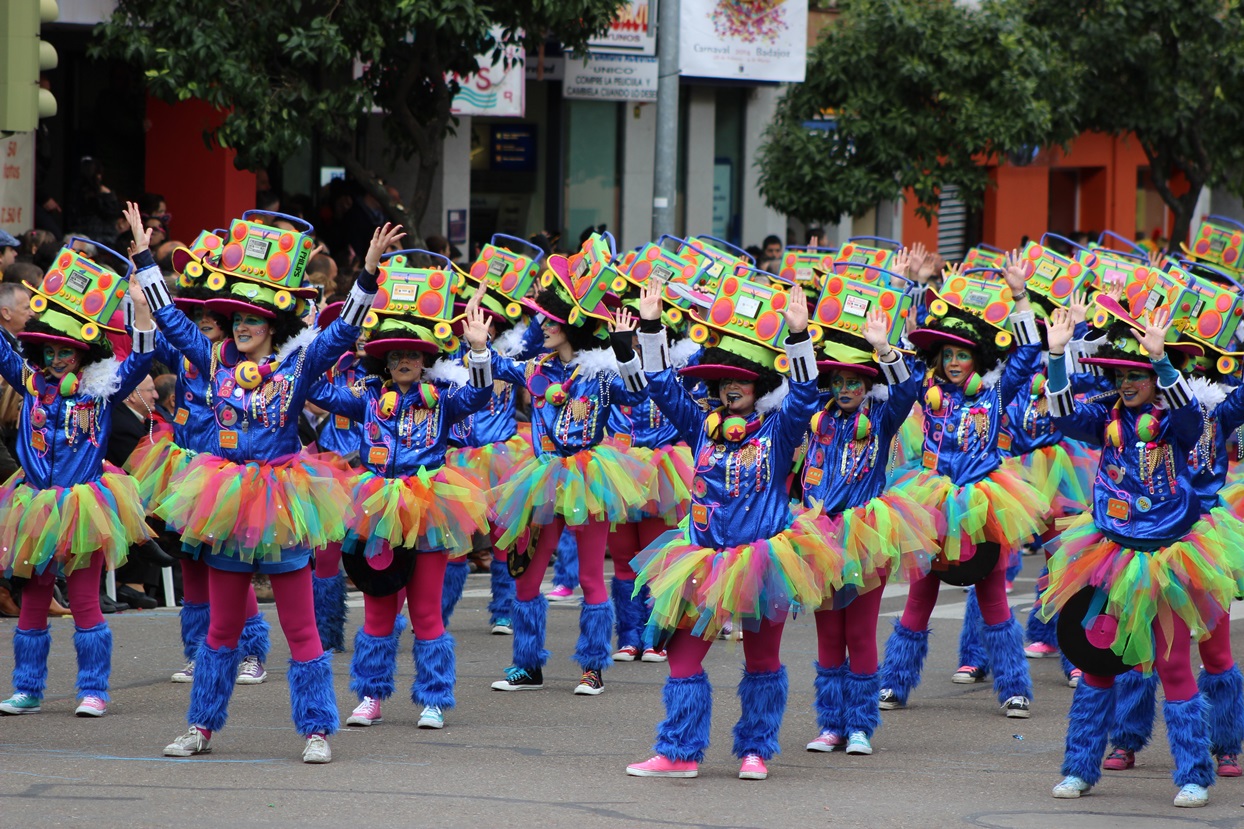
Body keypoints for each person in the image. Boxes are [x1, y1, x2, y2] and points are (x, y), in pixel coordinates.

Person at [130, 203, 392, 763]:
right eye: (237, 319)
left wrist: (367, 273)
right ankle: (201, 726)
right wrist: (143, 258)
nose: (243, 326)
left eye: (254, 320)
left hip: (281, 500)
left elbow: (344, 331)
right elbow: (173, 321)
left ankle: (317, 729)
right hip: (224, 499)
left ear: (274, 325)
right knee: (221, 629)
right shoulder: (214, 361)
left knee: (301, 629)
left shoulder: (299, 367)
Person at [625, 278, 835, 781]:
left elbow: (806, 395)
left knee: (763, 661)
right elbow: (660, 386)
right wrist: (651, 326)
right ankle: (678, 752)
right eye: (721, 381)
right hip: (701, 557)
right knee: (681, 655)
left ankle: (755, 750)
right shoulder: (700, 426)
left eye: (739, 379)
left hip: (762, 561)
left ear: (759, 386)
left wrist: (799, 337)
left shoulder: (779, 432)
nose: (729, 387)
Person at [1041, 305, 1234, 808]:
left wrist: (1161, 359)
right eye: (1122, 376)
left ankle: (1194, 773)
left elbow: (1194, 421)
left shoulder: (1177, 421)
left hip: (1168, 556)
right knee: (1098, 661)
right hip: (1108, 553)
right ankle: (1078, 769)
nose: (1127, 384)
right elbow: (1061, 413)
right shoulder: (1105, 416)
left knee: (1172, 666)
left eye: (1137, 376)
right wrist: (1057, 354)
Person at [315, 291, 494, 730]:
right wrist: (329, 340)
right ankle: (371, 695)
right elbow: (317, 390)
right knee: (378, 607)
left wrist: (477, 350)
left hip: (428, 507)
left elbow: (480, 394)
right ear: (385, 361)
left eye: (413, 354)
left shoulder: (444, 399)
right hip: (376, 506)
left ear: (424, 360)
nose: (404, 361)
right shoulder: (368, 398)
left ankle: (433, 697)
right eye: (395, 354)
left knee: (426, 610)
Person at [879, 253, 1047, 718]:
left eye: (963, 354)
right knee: (920, 594)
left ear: (978, 358)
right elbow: (897, 362)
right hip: (931, 499)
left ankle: (1014, 688)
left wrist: (1019, 296)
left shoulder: (995, 390)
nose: (953, 362)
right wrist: (911, 286)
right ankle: (894, 683)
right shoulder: (925, 386)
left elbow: (1029, 353)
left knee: (993, 596)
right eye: (947, 354)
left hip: (983, 500)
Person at [0, 239, 157, 717]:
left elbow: (143, 361)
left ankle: (93, 688)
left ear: (84, 354)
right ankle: (28, 688)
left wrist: (140, 306)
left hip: (83, 507)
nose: (56, 358)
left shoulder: (101, 391)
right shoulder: (30, 382)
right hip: (33, 504)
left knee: (86, 600)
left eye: (66, 350)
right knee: (34, 599)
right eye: (48, 349)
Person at [487, 252, 653, 696]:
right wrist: (477, 343)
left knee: (589, 577)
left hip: (588, 476)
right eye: (541, 321)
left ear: (570, 328)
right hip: (541, 478)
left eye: (550, 322)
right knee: (527, 573)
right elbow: (491, 371)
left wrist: (625, 350)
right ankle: (527, 664)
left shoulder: (599, 375)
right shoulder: (536, 368)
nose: (542, 327)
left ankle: (593, 665)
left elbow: (639, 395)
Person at [801, 312, 936, 757]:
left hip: (865, 536)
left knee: (858, 634)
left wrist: (882, 349)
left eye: (855, 382)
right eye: (838, 380)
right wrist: (799, 334)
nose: (845, 389)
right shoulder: (815, 418)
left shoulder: (881, 417)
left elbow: (909, 389)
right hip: (817, 536)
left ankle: (859, 725)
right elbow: (793, 390)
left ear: (867, 385)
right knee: (826, 636)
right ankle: (830, 724)